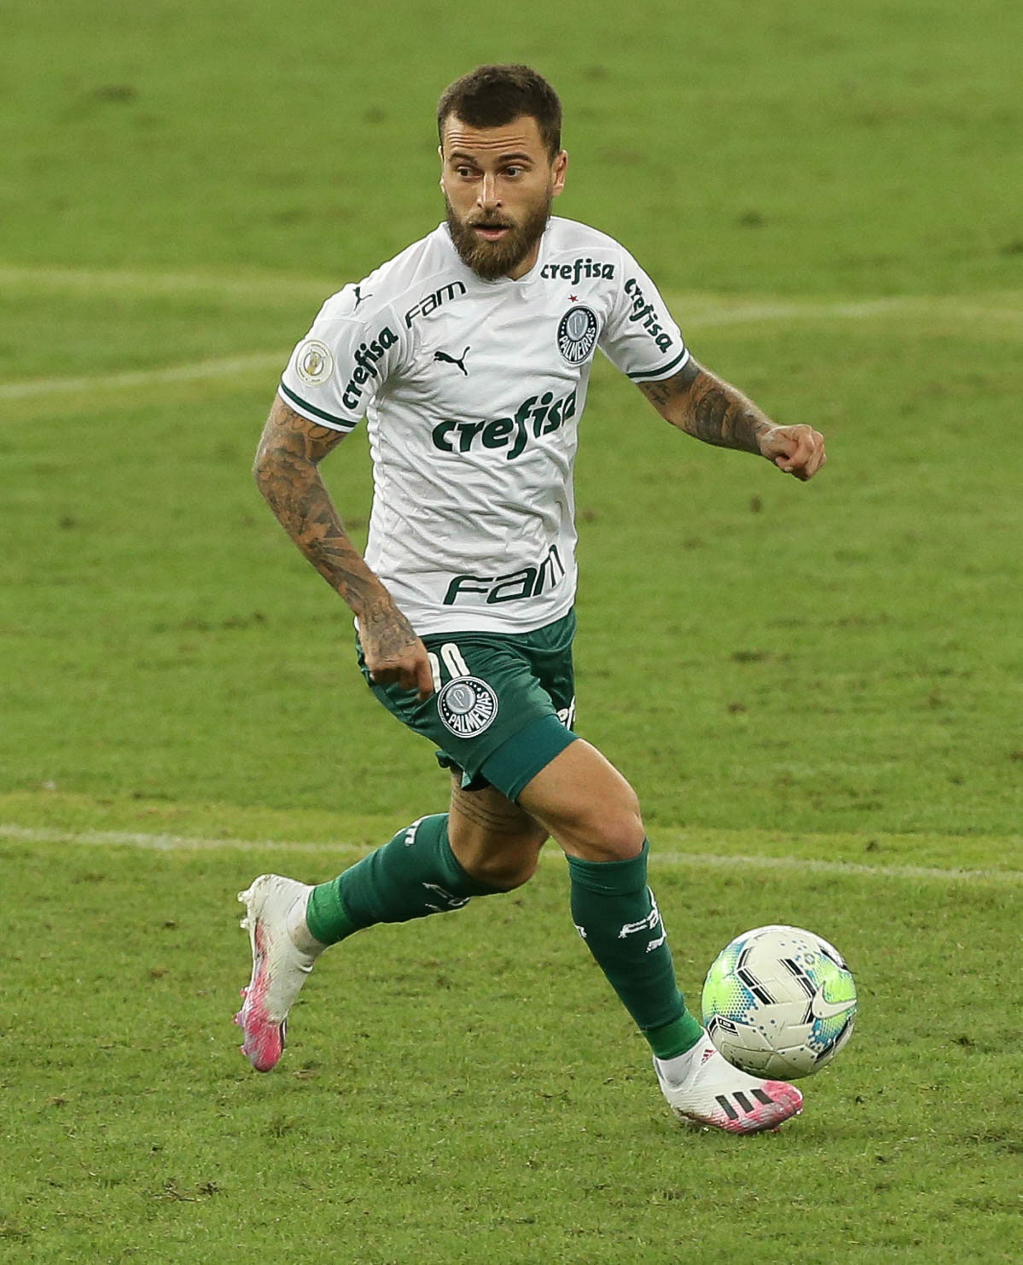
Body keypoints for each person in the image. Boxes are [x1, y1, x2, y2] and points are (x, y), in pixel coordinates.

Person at [235, 65, 826, 1135]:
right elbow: (282, 460)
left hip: (543, 618)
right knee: (606, 823)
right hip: (432, 633)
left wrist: (761, 432)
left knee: (493, 858)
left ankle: (300, 921)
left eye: (510, 170)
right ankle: (688, 1064)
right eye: (463, 170)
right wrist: (376, 611)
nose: (485, 197)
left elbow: (674, 383)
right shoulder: (383, 308)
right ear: (441, 168)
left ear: (556, 168)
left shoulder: (595, 270)